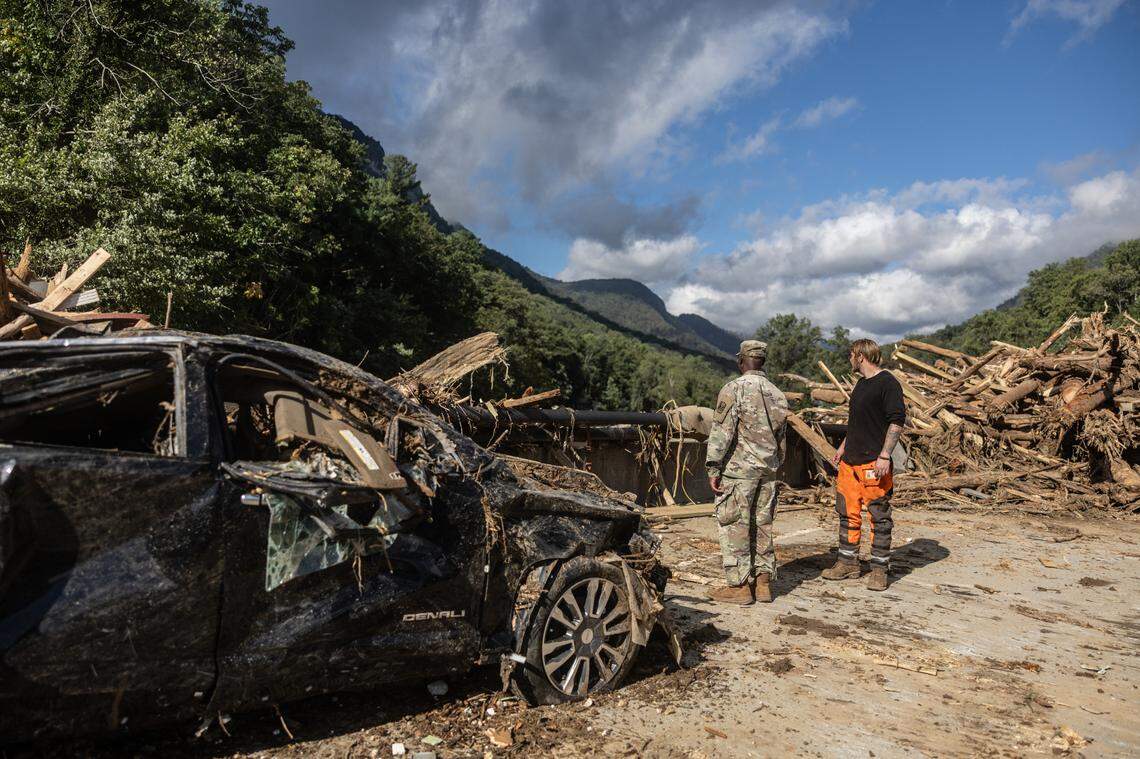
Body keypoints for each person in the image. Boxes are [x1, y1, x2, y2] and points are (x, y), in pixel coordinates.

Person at [705, 340, 789, 605]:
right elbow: (782, 441)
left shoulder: (733, 389)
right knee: (763, 525)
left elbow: (721, 433)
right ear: (762, 361)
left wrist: (713, 467)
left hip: (739, 473)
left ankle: (740, 587)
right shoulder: (777, 394)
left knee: (735, 526)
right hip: (768, 471)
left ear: (741, 360)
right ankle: (763, 585)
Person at [821, 338, 906, 591]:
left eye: (851, 355)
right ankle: (848, 563)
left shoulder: (888, 383)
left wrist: (884, 456)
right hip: (850, 463)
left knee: (879, 517)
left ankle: (879, 569)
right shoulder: (860, 384)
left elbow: (896, 422)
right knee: (847, 514)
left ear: (860, 356)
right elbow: (857, 421)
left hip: (873, 462)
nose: (849, 359)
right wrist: (843, 447)